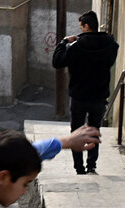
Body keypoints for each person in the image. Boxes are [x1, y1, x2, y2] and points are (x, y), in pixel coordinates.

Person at [51, 10, 119, 175]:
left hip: (79, 97)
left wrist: (63, 43)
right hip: (99, 96)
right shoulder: (110, 45)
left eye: (81, 27)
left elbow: (57, 62)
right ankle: (91, 165)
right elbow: (110, 60)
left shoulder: (77, 46)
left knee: (77, 132)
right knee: (94, 130)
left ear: (86, 26)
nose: (80, 30)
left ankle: (79, 167)